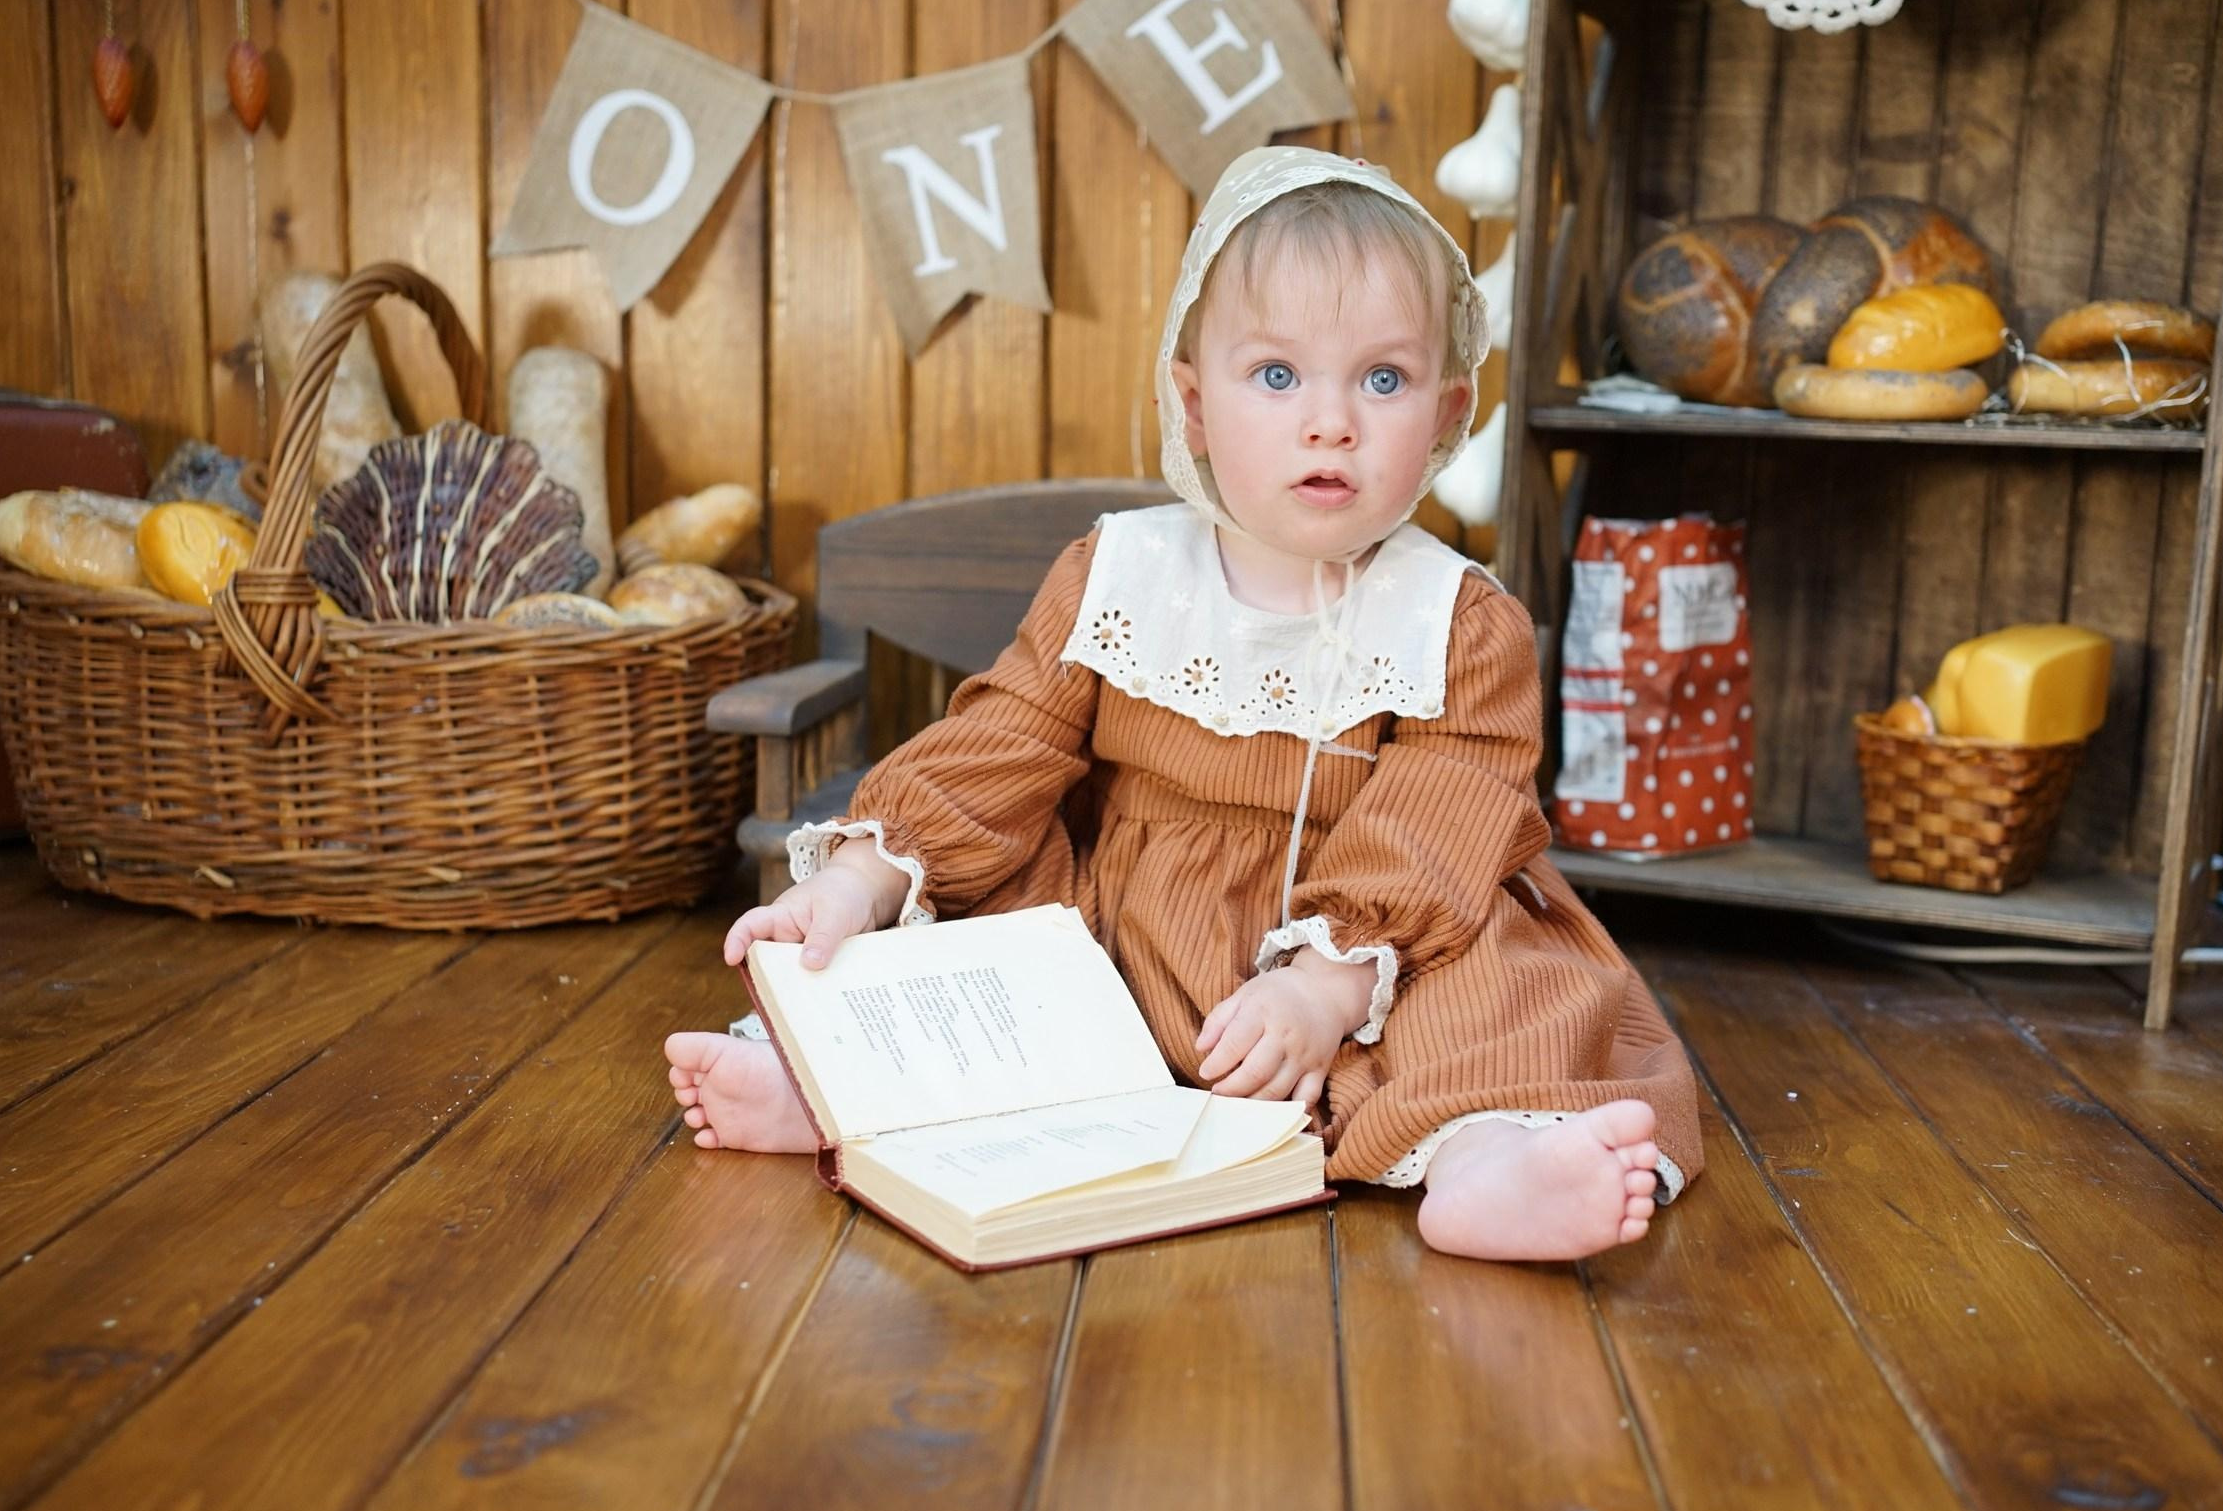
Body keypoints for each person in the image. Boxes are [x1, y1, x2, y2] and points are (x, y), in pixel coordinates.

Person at [666, 146, 1701, 1261]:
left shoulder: (1456, 616)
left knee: (1495, 988)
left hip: (1358, 940)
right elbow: (1003, 738)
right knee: (965, 947)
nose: (1331, 423)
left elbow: (1444, 821)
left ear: (1448, 413)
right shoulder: (1117, 573)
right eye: (1276, 376)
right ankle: (830, 1088)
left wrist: (1322, 985)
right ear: (1193, 401)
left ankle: (1484, 1159)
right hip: (1127, 931)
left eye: (1383, 380)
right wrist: (867, 876)